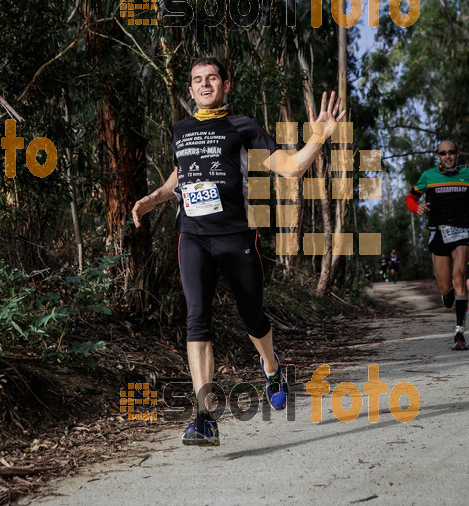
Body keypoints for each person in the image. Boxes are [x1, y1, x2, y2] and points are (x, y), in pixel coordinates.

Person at [132, 57, 344, 446]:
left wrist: (319, 137)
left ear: (226, 84)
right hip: (192, 236)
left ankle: (271, 365)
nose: (205, 83)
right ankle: (205, 417)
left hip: (236, 236)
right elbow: (181, 174)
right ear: (191, 89)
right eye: (197, 79)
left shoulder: (242, 126)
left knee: (252, 317)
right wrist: (156, 197)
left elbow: (292, 168)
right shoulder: (181, 129)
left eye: (212, 77)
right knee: (197, 319)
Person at [406, 140, 469, 350]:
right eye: (443, 153)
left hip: (462, 232)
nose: (448, 156)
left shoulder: (467, 175)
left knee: (459, 277)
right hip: (438, 234)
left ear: (457, 153)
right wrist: (418, 208)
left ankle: (459, 333)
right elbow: (410, 198)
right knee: (445, 290)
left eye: (451, 152)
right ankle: (448, 293)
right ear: (438, 156)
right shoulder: (428, 176)